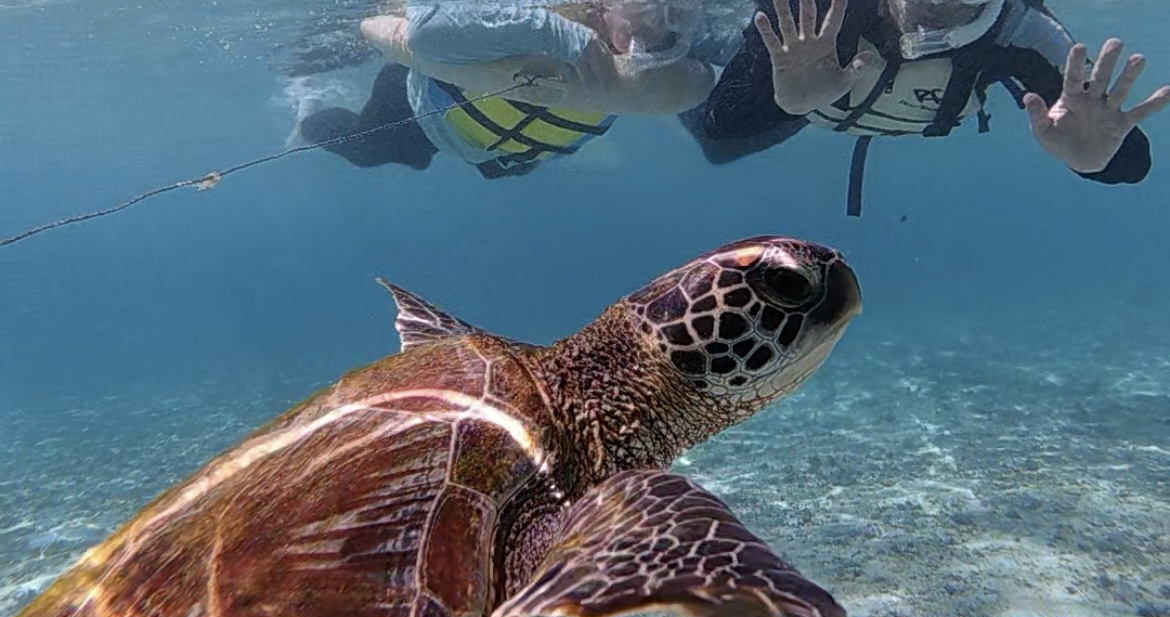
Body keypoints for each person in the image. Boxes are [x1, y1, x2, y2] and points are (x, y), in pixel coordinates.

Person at [680, 0, 1170, 216]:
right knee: (709, 133)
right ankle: (686, 49)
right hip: (796, 91)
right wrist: (784, 102)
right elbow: (724, 130)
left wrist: (1095, 160)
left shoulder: (1018, 31)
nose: (934, 6)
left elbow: (1125, 158)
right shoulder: (819, 11)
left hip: (831, 104)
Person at [300, 1, 741, 179]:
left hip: (510, 154)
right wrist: (556, 33)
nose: (666, 26)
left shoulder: (672, 42)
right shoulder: (539, 18)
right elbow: (425, 33)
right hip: (422, 111)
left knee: (505, 167)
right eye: (653, 9)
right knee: (368, 150)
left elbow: (739, 47)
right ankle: (305, 105)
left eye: (682, 12)